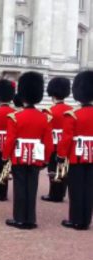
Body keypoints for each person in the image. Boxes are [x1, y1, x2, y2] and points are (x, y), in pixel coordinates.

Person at [3, 72, 53, 230]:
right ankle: (30, 219)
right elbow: (49, 142)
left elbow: (10, 140)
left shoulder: (15, 117)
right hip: (37, 156)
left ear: (22, 96)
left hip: (19, 156)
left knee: (20, 187)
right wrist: (45, 159)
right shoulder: (45, 117)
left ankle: (19, 219)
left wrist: (6, 156)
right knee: (32, 187)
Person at [57, 71, 93, 231]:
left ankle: (76, 219)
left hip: (77, 157)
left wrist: (61, 155)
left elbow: (66, 139)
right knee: (90, 188)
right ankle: (86, 220)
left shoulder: (73, 115)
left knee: (76, 188)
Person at [41, 77, 73, 203]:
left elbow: (46, 131)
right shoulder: (71, 110)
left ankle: (54, 193)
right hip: (67, 143)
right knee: (64, 167)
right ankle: (61, 193)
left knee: (53, 168)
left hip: (54, 143)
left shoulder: (49, 111)